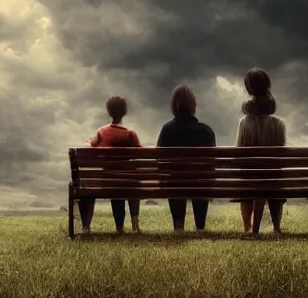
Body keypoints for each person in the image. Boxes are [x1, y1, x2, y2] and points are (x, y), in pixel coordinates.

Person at [234, 68, 287, 238]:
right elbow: (280, 159)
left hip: (250, 178)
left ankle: (248, 227)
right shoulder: (279, 125)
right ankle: (276, 228)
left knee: (248, 183)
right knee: (273, 180)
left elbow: (239, 155)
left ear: (249, 89)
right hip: (273, 179)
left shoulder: (244, 124)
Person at [156, 85, 216, 231]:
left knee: (175, 180)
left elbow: (159, 160)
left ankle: (178, 225)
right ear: (193, 105)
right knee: (202, 180)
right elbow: (211, 164)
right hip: (200, 183)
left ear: (174, 105)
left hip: (175, 183)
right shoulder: (206, 131)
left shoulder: (167, 130)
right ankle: (200, 226)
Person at [82, 96, 143, 234]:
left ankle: (119, 227)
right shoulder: (130, 134)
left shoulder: (102, 132)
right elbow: (141, 151)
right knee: (132, 184)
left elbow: (92, 144)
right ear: (125, 112)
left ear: (109, 111)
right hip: (127, 181)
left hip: (108, 181)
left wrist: (89, 141)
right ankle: (134, 224)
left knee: (116, 189)